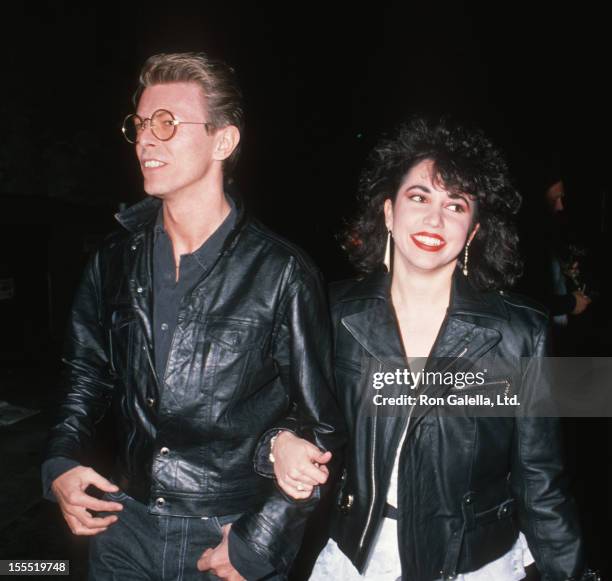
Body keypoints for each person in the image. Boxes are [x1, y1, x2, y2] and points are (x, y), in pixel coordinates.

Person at [42, 52, 342, 581]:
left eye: (167, 123)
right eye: (139, 124)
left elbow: (320, 425)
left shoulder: (281, 272)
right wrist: (60, 462)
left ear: (223, 141)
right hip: (122, 525)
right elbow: (85, 375)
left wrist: (263, 538)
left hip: (227, 530)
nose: (145, 139)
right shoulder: (114, 258)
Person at [268, 118, 591, 580]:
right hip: (359, 563)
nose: (434, 220)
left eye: (455, 206)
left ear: (474, 231)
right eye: (419, 197)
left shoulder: (520, 333)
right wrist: (277, 443)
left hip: (475, 567)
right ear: (387, 212)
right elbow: (279, 417)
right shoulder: (330, 313)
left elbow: (541, 485)